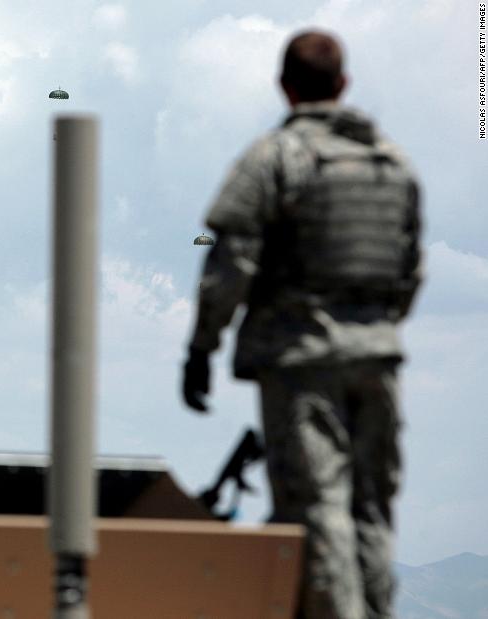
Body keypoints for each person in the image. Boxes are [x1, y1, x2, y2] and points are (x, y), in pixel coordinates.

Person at [181, 30, 423, 619]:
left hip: (301, 363)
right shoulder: (391, 164)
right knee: (371, 509)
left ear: (284, 86)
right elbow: (409, 269)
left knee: (319, 512)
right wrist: (371, 330)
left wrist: (202, 348)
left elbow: (232, 264)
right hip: (377, 358)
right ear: (343, 84)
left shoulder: (274, 159)